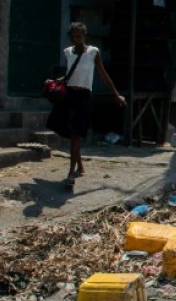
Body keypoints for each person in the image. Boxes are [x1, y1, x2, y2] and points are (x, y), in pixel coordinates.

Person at [47, 22, 126, 186]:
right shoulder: (68, 52)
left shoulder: (93, 52)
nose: (76, 39)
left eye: (79, 36)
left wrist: (116, 95)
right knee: (70, 133)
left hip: (84, 97)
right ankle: (80, 166)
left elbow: (103, 75)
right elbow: (70, 75)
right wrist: (54, 82)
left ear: (85, 36)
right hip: (69, 95)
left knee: (76, 134)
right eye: (73, 37)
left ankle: (71, 173)